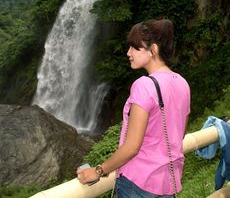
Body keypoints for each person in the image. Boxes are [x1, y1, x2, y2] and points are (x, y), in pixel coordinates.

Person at [77, 18, 190, 197]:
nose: (128, 53)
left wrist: (98, 170)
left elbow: (131, 147)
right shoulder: (182, 83)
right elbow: (179, 133)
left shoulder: (144, 85)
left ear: (153, 50)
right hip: (168, 181)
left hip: (137, 184)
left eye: (135, 47)